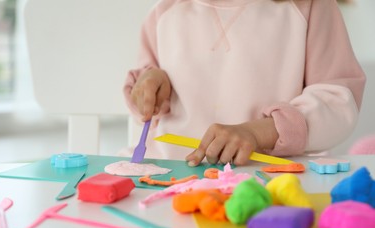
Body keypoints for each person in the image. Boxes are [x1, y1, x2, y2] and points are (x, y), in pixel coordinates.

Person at [123, 0, 366, 166]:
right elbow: (145, 101)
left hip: (273, 183)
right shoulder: (166, 10)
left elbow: (337, 104)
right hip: (168, 177)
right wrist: (150, 87)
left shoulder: (309, 6)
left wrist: (258, 133)